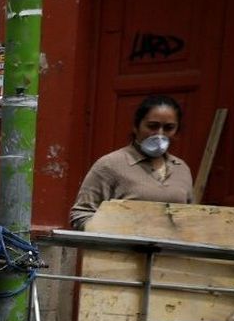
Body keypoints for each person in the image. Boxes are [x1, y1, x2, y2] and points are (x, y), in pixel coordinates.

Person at [69, 95, 193, 229]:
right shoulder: (110, 164)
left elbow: (193, 217)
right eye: (152, 126)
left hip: (171, 244)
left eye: (169, 128)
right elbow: (81, 214)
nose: (160, 134)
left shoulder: (181, 168)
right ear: (136, 126)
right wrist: (115, 232)